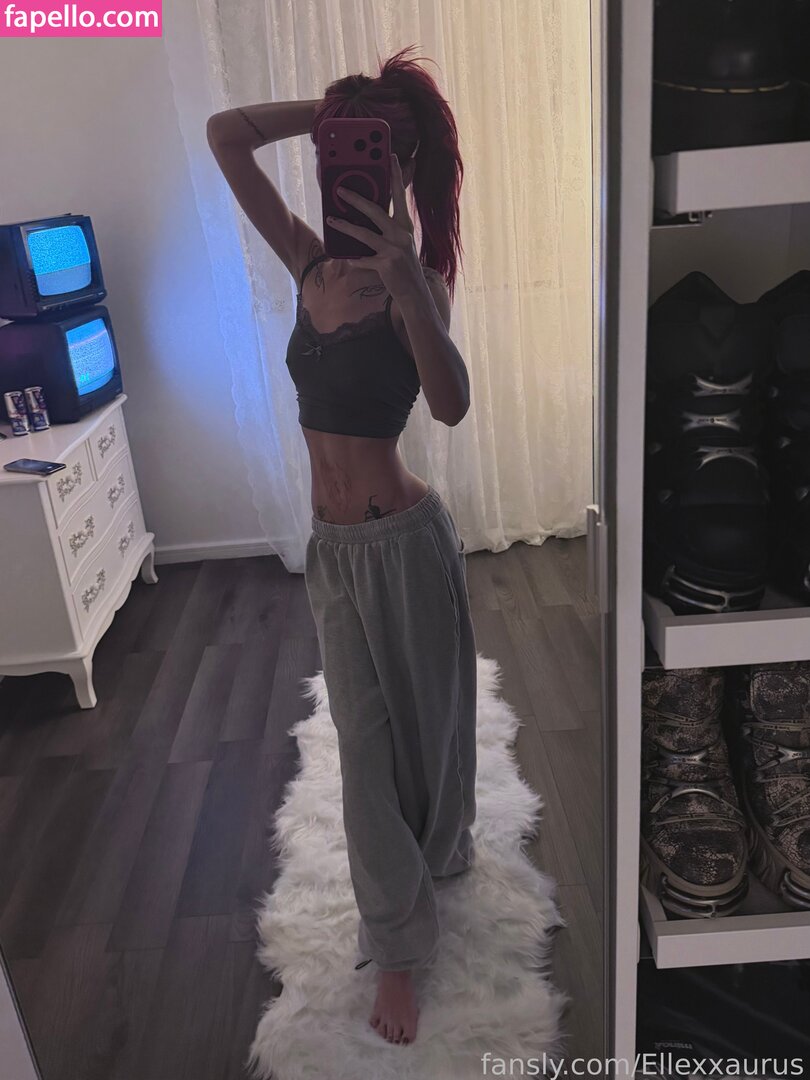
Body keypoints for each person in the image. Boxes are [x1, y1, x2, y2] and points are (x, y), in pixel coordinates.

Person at [207, 44, 477, 1048]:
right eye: (343, 149)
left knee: (427, 736)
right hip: (333, 551)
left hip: (404, 544)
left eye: (374, 150)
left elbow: (449, 404)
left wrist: (407, 283)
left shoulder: (417, 283)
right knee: (363, 746)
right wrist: (332, 117)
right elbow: (226, 137)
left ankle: (438, 853)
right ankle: (398, 949)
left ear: (405, 168)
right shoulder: (309, 262)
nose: (353, 164)